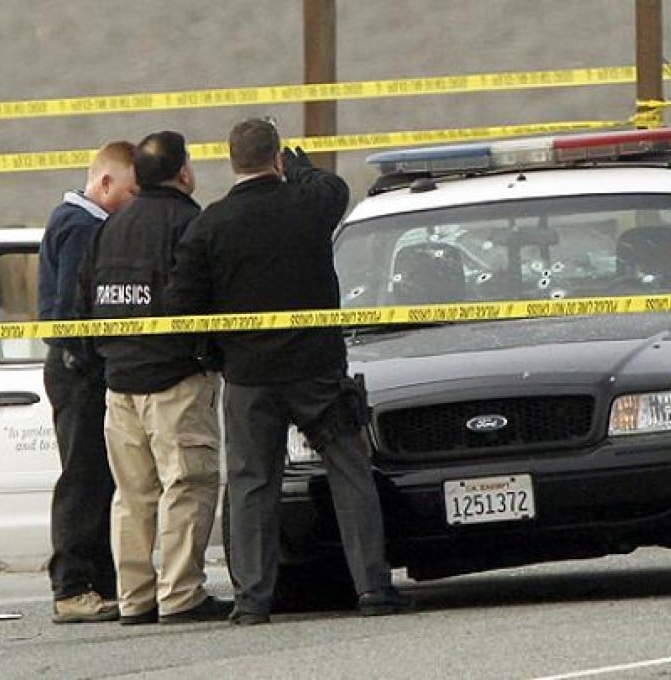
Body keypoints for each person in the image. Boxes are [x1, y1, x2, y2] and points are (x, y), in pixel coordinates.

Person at [167, 118, 410, 626]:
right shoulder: (308, 205)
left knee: (253, 483)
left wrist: (213, 354)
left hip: (250, 376)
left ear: (232, 163)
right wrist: (300, 172)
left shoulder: (209, 225)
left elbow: (182, 305)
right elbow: (335, 188)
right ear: (277, 158)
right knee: (349, 471)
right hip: (317, 368)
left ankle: (252, 600)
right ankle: (372, 587)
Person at [78, 131, 231, 625]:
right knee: (187, 483)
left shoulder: (110, 228)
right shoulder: (190, 222)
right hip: (175, 381)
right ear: (183, 173)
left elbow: (84, 300)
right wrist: (210, 355)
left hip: (119, 382)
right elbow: (202, 298)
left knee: (132, 496)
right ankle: (181, 594)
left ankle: (135, 598)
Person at [39, 141, 137, 624]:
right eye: (130, 191)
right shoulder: (80, 226)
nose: (133, 203)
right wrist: (89, 358)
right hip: (77, 371)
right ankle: (73, 586)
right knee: (82, 478)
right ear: (104, 183)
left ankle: (99, 582)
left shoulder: (77, 221)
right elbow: (68, 310)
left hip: (76, 366)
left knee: (99, 478)